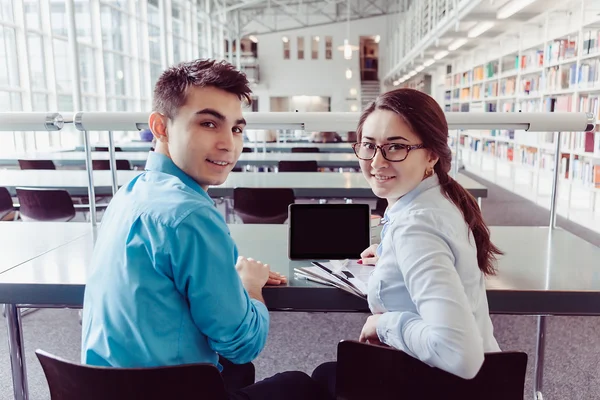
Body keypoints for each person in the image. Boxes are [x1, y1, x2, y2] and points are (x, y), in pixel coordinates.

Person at [81, 59, 332, 400]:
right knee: (304, 385)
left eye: (237, 129)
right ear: (161, 127)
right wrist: (249, 286)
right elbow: (244, 343)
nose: (229, 144)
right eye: (209, 123)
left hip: (102, 389)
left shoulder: (129, 193)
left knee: (236, 371)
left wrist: (223, 276)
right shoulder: (191, 215)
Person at [312, 88, 502, 396]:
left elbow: (459, 354)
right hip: (479, 382)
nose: (376, 162)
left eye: (396, 147)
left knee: (312, 380)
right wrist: (390, 253)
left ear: (431, 154)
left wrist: (385, 323)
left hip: (439, 384)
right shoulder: (437, 199)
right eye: (368, 146)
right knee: (326, 374)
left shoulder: (416, 227)